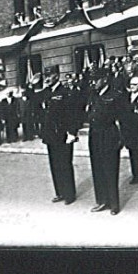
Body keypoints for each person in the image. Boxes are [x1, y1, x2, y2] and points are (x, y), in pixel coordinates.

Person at [34, 66, 81, 205]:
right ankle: (59, 192)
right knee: (54, 164)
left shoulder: (66, 92)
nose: (47, 78)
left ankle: (69, 194)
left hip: (63, 134)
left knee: (65, 164)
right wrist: (32, 84)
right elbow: (33, 99)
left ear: (57, 76)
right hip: (50, 134)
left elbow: (73, 115)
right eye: (45, 75)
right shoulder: (46, 92)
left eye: (50, 75)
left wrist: (72, 133)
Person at [85, 68, 126, 215]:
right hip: (94, 135)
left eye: (96, 79)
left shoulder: (115, 95)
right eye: (92, 79)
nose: (93, 82)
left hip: (109, 134)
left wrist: (121, 138)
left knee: (110, 169)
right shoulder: (93, 95)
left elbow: (122, 118)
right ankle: (102, 200)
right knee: (97, 169)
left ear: (105, 80)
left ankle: (114, 203)